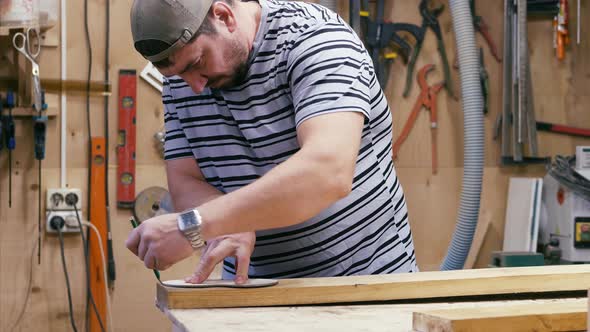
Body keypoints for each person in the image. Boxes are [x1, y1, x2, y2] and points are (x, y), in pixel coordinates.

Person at [126, 0, 418, 285]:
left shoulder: (316, 37)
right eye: (178, 74)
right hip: (254, 291)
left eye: (198, 62)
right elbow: (185, 181)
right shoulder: (182, 78)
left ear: (224, 16)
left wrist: (196, 224)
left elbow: (327, 173)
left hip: (367, 285)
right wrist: (227, 224)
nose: (195, 86)